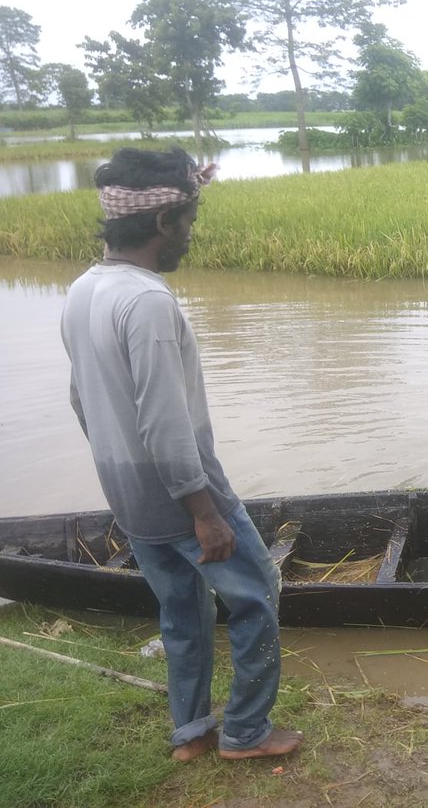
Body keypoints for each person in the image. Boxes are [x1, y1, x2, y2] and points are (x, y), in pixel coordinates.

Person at [60, 147, 303, 763]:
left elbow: (81, 401)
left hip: (128, 493)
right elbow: (166, 423)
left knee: (180, 608)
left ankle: (190, 734)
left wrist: (121, 478)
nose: (190, 237)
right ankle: (247, 731)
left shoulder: (83, 291)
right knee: (256, 592)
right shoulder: (148, 303)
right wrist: (203, 510)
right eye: (188, 223)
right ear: (164, 223)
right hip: (183, 491)